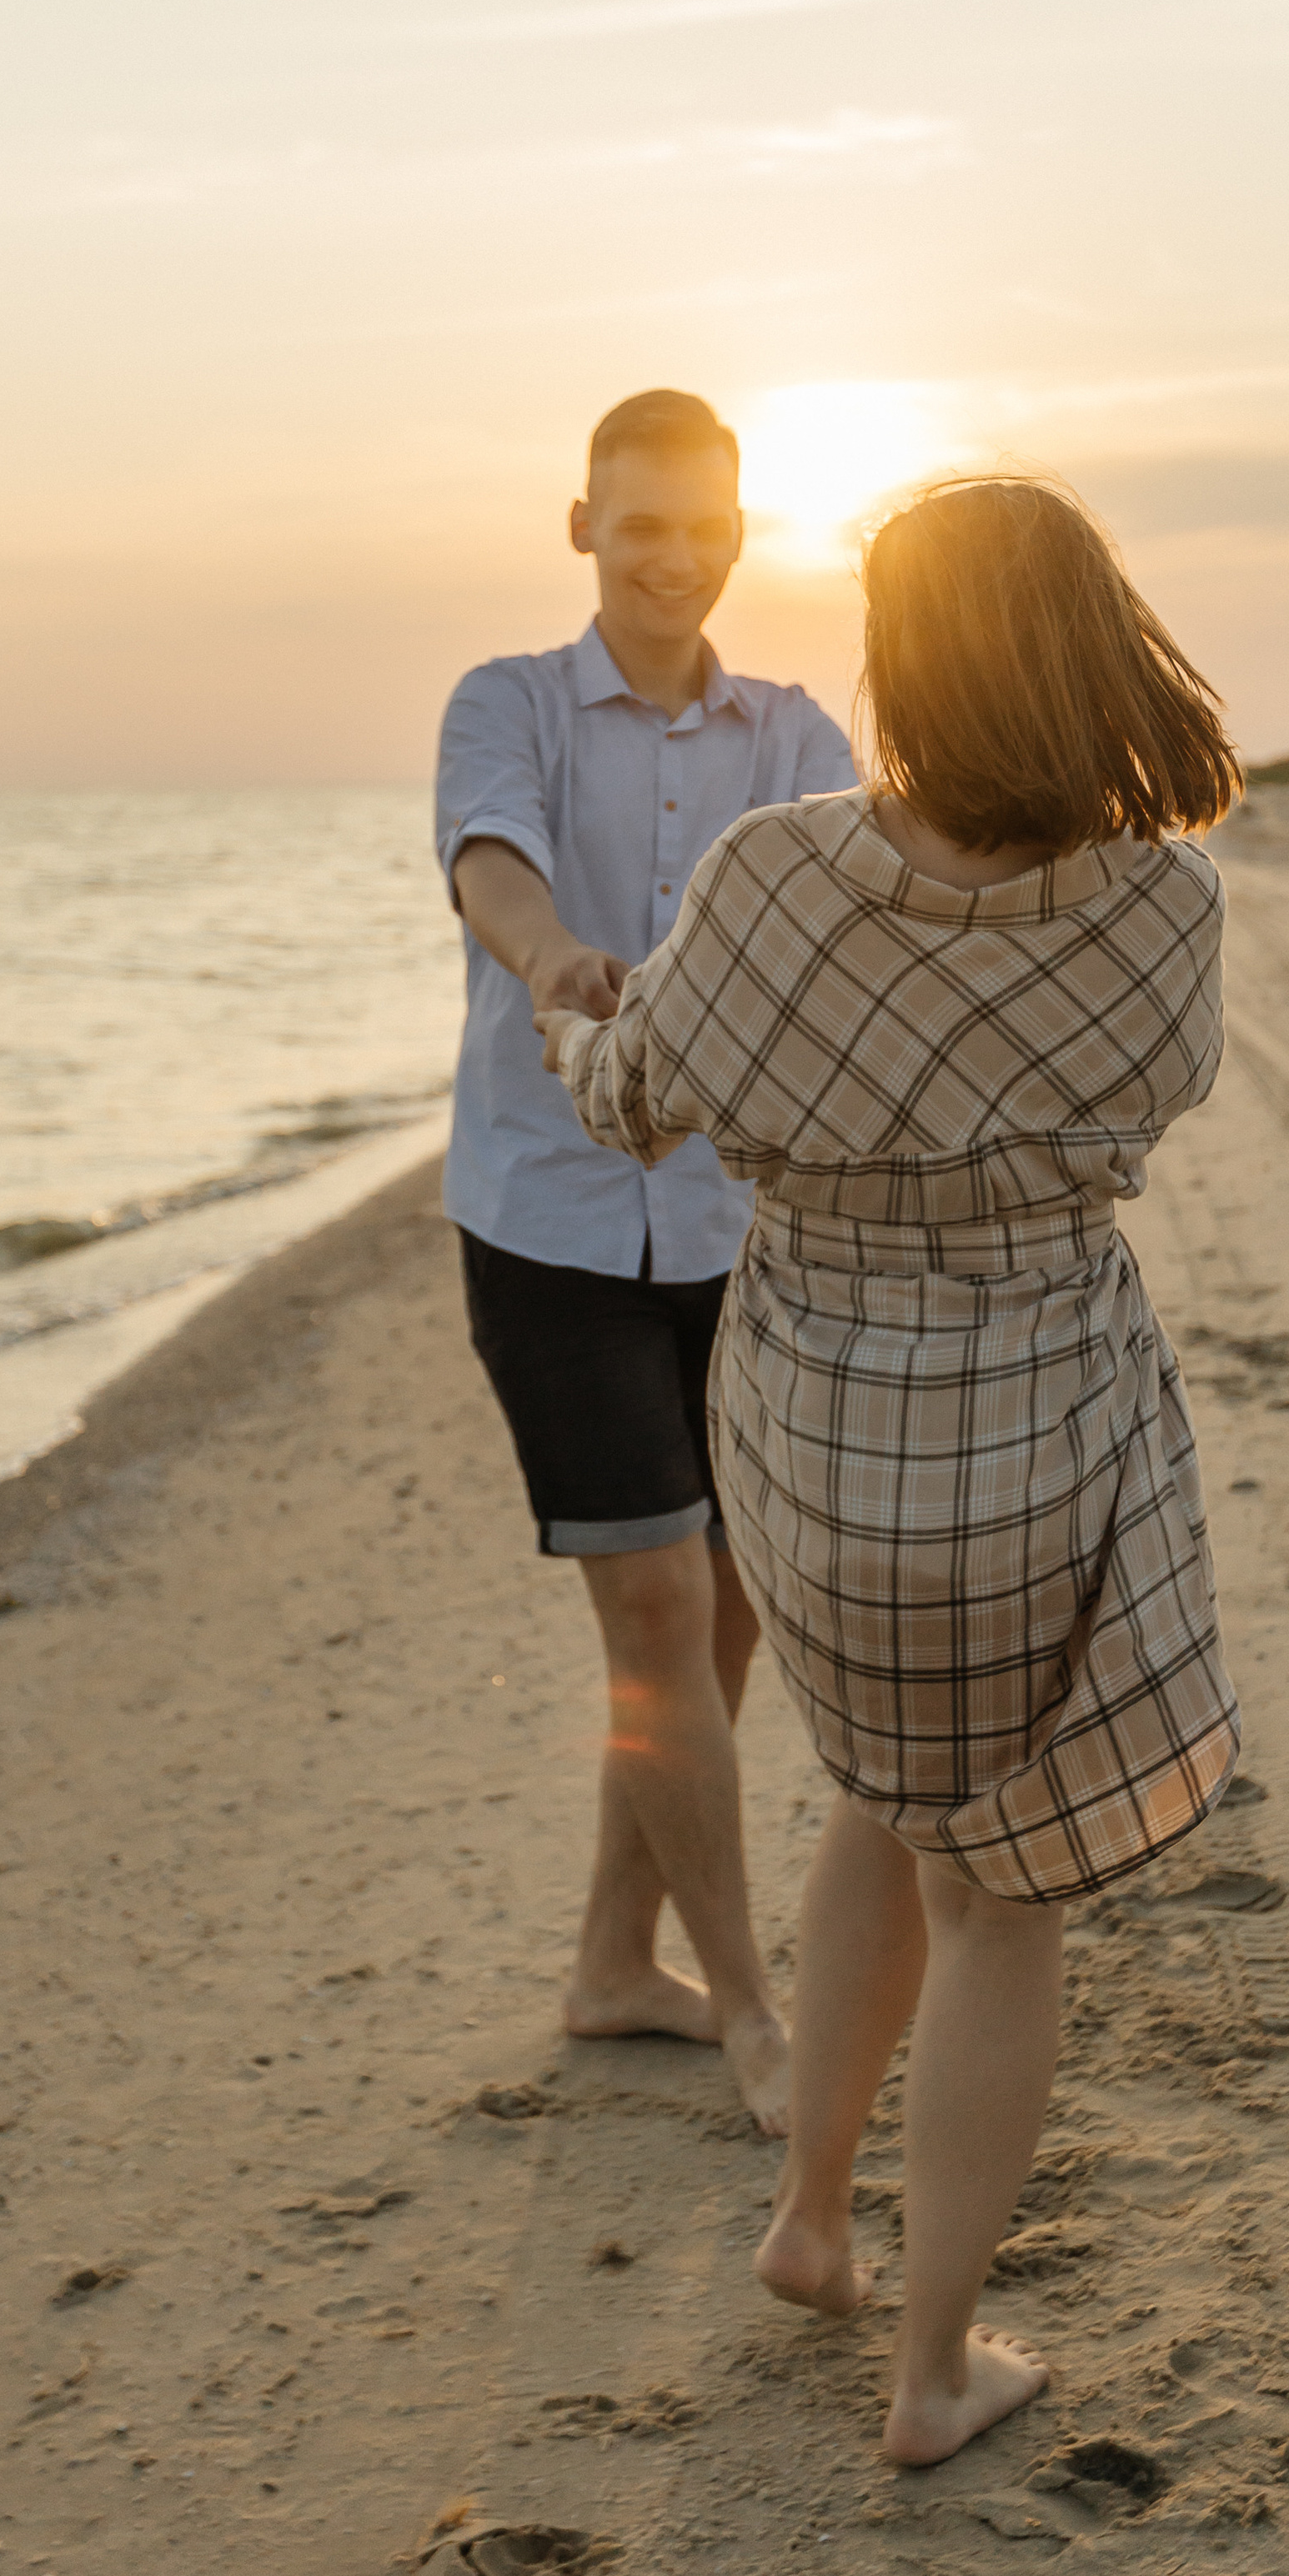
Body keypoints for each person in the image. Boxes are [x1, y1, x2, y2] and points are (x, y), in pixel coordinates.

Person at [535, 471, 1242, 2465]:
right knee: (997, 1891)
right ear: (1094, 645)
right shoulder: (1163, 903)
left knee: (879, 1796)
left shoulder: (771, 874)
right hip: (1032, 1440)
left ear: (899, 656)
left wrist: (568, 1020)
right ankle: (929, 2371)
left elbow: (634, 1103)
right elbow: (1158, 1092)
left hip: (820, 1454)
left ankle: (810, 2217)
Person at [435, 388, 857, 2137]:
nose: (670, 559)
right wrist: (551, 961)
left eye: (699, 528)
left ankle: (617, 1961)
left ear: (738, 535)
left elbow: (854, 900)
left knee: (723, 1608)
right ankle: (751, 2009)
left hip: (738, 1227)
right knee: (661, 1605)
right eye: (638, 528)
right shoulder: (508, 701)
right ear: (583, 530)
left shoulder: (796, 731)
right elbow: (492, 860)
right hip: (548, 1218)